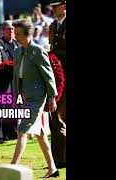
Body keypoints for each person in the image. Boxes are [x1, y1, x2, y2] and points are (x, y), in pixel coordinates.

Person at [11, 18, 59, 178]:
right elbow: (16, 77)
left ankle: (12, 168)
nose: (15, 37)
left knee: (22, 130)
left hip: (37, 97)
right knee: (40, 133)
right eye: (14, 33)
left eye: (18, 34)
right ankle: (53, 169)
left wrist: (52, 96)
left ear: (27, 34)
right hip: (24, 96)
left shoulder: (37, 51)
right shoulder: (17, 51)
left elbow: (49, 75)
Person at [48, 0, 67, 168]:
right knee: (54, 118)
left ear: (65, 5)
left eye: (56, 6)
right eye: (52, 7)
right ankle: (58, 159)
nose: (53, 9)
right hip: (57, 78)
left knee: (61, 118)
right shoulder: (53, 26)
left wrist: (52, 55)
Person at [0, 20, 19, 141]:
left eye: (12, 29)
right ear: (3, 30)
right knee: (5, 106)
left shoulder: (16, 43)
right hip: (4, 80)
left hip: (15, 79)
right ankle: (5, 132)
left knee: (16, 105)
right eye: (8, 29)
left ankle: (14, 131)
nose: (11, 31)